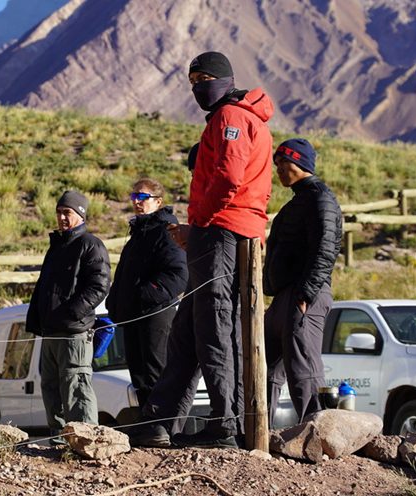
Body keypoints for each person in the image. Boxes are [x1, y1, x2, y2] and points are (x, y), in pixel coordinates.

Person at [131, 51, 274, 449]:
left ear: (225, 79)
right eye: (192, 79)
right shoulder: (242, 118)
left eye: (205, 77)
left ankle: (225, 423)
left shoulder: (230, 117)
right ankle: (160, 420)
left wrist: (200, 225)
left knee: (214, 326)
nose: (198, 85)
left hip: (223, 232)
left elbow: (229, 176)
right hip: (224, 231)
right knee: (189, 329)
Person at [264, 138, 342, 425]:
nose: (280, 169)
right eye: (277, 164)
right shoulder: (299, 199)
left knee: (303, 369)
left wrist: (306, 293)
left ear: (301, 163)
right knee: (265, 367)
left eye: (284, 162)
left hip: (304, 294)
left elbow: (326, 248)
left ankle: (319, 436)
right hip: (285, 296)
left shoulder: (321, 199)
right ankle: (257, 431)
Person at [26, 190, 111, 437]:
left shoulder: (90, 245)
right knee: (51, 390)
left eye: (68, 213)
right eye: (59, 212)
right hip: (50, 332)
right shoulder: (57, 247)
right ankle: (60, 440)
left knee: (76, 387)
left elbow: (99, 285)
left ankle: (85, 440)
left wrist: (72, 314)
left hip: (74, 333)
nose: (62, 218)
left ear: (81, 215)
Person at [106, 179, 187, 408]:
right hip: (134, 315)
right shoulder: (139, 234)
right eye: (134, 197)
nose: (137, 202)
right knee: (139, 376)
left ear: (158, 202)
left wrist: (144, 295)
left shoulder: (166, 231)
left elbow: (179, 274)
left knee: (156, 373)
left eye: (142, 198)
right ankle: (147, 426)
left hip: (156, 314)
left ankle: (161, 427)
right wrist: (116, 302)